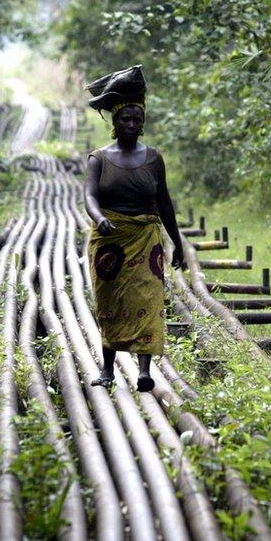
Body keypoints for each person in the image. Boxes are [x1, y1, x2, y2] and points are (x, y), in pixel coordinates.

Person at [83, 65, 186, 392]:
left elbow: (165, 202)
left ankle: (144, 371)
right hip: (109, 240)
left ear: (142, 123)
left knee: (148, 297)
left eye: (136, 119)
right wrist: (100, 218)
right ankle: (109, 369)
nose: (131, 124)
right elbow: (89, 196)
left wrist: (178, 243)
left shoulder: (153, 158)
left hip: (146, 239)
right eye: (125, 119)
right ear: (115, 123)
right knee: (110, 302)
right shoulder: (98, 158)